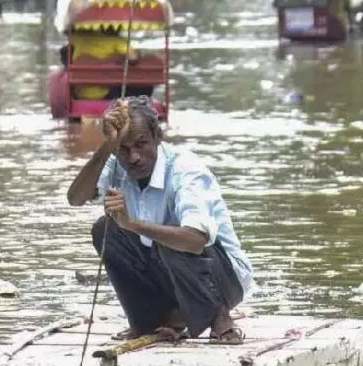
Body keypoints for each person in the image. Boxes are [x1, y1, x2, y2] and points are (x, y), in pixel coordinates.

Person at [66, 96, 253, 344]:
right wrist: (107, 147)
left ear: (157, 137)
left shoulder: (185, 169)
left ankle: (219, 317)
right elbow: (75, 198)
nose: (133, 157)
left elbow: (195, 241)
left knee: (171, 236)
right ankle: (155, 319)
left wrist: (131, 224)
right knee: (105, 229)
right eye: (124, 148)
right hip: (168, 270)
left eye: (141, 144)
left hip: (223, 278)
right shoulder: (116, 163)